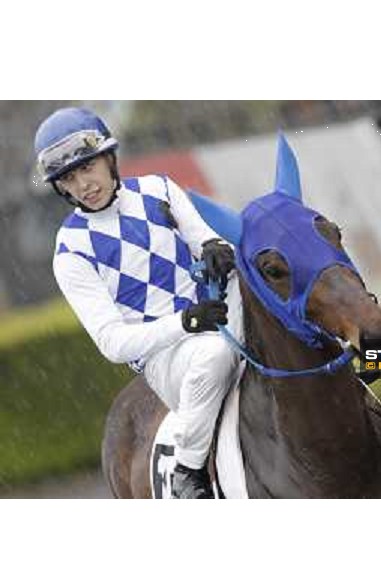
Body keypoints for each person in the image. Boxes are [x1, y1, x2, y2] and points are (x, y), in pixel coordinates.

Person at [35, 106, 243, 499]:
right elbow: (113, 343)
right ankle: (188, 471)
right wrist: (186, 323)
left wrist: (218, 248)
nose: (83, 184)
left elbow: (205, 239)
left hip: (220, 316)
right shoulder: (70, 252)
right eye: (69, 178)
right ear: (60, 188)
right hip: (168, 358)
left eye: (87, 167)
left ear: (109, 159)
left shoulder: (159, 189)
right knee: (215, 354)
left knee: (295, 308)